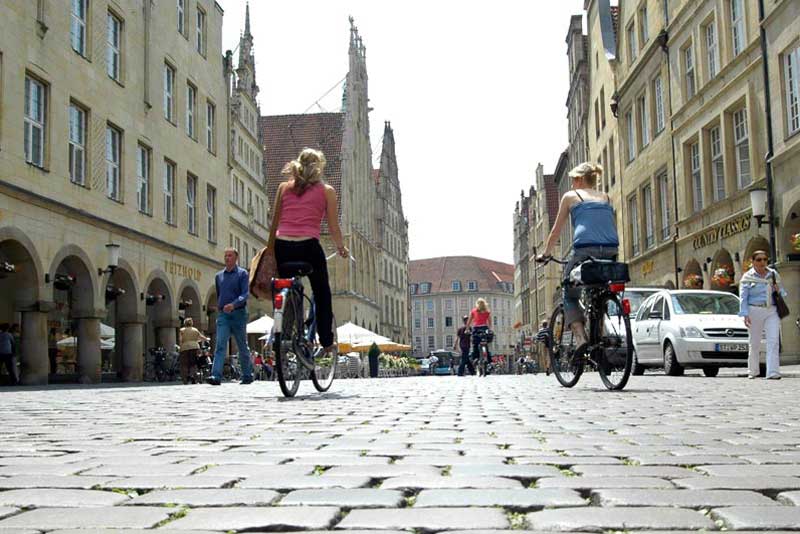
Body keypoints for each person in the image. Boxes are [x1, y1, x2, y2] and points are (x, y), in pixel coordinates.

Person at [268, 148, 349, 356]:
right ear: (319, 167)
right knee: (322, 292)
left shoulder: (283, 188)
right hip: (308, 247)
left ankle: (283, 333)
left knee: (285, 289)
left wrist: (270, 251)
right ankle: (326, 340)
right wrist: (341, 248)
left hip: (282, 246)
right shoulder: (327, 191)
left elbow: (274, 223)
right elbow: (333, 227)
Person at [536, 162, 619, 355]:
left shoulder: (571, 196)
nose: (572, 183)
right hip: (610, 250)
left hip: (584, 250)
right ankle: (599, 335)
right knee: (600, 290)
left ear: (581, 179)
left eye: (573, 179)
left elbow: (556, 230)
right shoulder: (606, 197)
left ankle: (581, 338)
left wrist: (546, 254)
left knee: (568, 290)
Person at [207, 248, 254, 385]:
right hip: (223, 315)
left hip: (238, 314)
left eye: (230, 255)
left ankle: (247, 375)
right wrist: (222, 306)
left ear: (236, 258)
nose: (227, 258)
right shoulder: (219, 276)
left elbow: (245, 294)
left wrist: (233, 304)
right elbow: (219, 293)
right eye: (225, 255)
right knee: (220, 345)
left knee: (242, 346)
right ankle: (216, 376)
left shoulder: (242, 274)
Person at [739, 250, 788, 380]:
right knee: (754, 342)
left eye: (765, 259)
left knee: (773, 341)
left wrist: (779, 290)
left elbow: (782, 292)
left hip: (771, 310)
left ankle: (772, 372)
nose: (762, 262)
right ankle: (753, 370)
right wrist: (745, 314)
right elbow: (743, 297)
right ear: (753, 261)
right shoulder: (747, 277)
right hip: (754, 310)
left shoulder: (772, 274)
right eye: (759, 260)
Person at [465, 298, 492, 371]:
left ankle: (475, 359)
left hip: (476, 328)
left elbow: (469, 321)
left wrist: (467, 329)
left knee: (475, 344)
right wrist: (489, 329)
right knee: (485, 344)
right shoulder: (487, 312)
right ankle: (489, 361)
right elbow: (489, 322)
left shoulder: (474, 311)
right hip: (484, 328)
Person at [179, 317, 208, 384]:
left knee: (185, 364)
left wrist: (180, 347)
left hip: (184, 348)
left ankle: (185, 379)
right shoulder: (195, 330)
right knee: (193, 363)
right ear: (192, 323)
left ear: (184, 323)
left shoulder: (182, 330)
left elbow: (180, 340)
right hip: (195, 347)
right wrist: (206, 339)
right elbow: (201, 337)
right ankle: (192, 375)